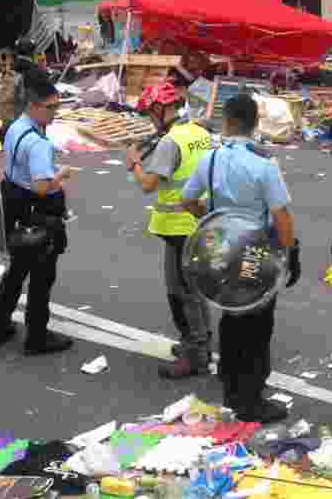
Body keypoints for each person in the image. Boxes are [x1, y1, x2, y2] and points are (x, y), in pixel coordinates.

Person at [180, 94, 301, 423]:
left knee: (231, 315)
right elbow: (282, 216)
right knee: (258, 324)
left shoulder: (211, 159)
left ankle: (231, 387)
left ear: (228, 121)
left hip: (222, 248)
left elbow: (187, 199)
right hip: (257, 252)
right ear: (255, 123)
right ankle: (251, 398)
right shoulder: (263, 163)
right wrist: (291, 253)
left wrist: (211, 219)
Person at [126, 81, 214, 378]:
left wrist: (134, 164)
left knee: (181, 293)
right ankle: (202, 343)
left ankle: (195, 354)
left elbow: (148, 185)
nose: (150, 119)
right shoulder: (200, 133)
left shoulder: (170, 142)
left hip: (179, 226)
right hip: (201, 221)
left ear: (160, 109)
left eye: (150, 113)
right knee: (194, 288)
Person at [0, 70, 74, 354]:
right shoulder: (38, 144)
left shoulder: (16, 127)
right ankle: (37, 336)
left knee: (15, 270)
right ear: (33, 105)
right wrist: (61, 175)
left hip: (14, 203)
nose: (55, 113)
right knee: (40, 277)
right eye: (50, 107)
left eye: (57, 106)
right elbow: (41, 187)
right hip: (36, 211)